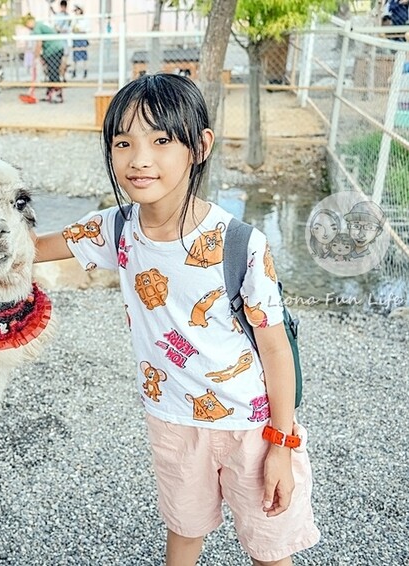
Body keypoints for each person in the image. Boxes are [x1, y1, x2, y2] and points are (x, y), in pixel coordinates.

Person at [34, 73, 320, 565]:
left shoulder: (239, 244)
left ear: (200, 145)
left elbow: (275, 349)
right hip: (170, 420)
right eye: (123, 142)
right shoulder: (117, 228)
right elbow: (32, 250)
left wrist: (281, 444)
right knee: (183, 533)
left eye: (161, 140)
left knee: (269, 550)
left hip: (250, 426)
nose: (139, 158)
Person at [23, 14, 66, 103]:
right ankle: (49, 93)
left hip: (54, 50)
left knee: (53, 72)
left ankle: (58, 94)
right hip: (50, 51)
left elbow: (39, 43)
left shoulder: (37, 27)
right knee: (49, 72)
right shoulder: (38, 27)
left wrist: (36, 57)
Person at [70, 5, 90, 79]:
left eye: (77, 10)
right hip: (76, 39)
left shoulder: (84, 19)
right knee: (75, 57)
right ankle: (74, 71)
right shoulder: (74, 20)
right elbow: (71, 28)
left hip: (82, 39)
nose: (76, 12)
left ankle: (85, 71)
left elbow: (87, 29)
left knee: (84, 57)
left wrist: (81, 30)